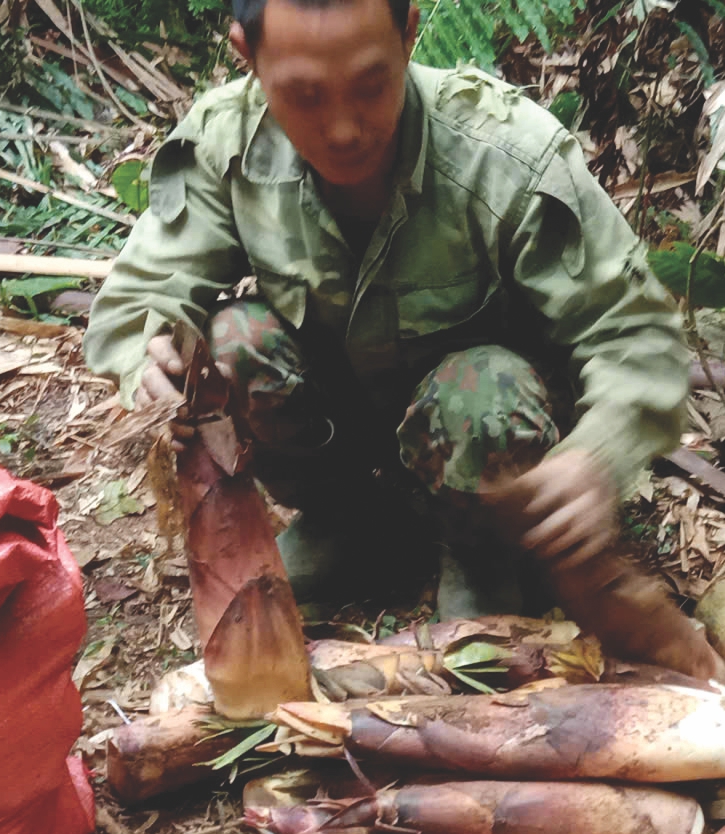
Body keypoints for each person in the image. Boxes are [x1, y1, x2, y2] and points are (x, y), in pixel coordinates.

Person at [82, 0, 692, 621]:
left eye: (371, 86)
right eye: (305, 95)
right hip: (339, 439)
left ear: (408, 33)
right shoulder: (230, 144)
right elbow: (139, 300)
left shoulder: (505, 156)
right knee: (236, 339)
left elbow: (633, 332)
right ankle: (346, 526)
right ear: (248, 56)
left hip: (481, 451)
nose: (343, 129)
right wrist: (150, 363)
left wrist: (596, 456)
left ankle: (480, 556)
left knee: (485, 384)